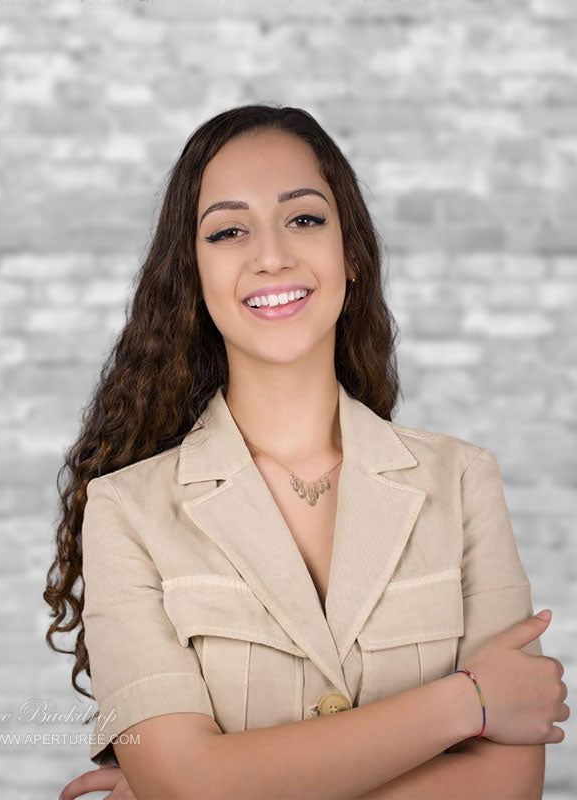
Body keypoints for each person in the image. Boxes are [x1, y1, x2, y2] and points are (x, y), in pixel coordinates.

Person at [45, 104, 569, 800]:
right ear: (192, 277)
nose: (271, 255)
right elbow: (186, 784)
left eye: (304, 218)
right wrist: (466, 703)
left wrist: (215, 785)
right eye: (229, 231)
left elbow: (507, 786)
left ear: (349, 251)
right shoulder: (126, 512)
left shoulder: (463, 482)